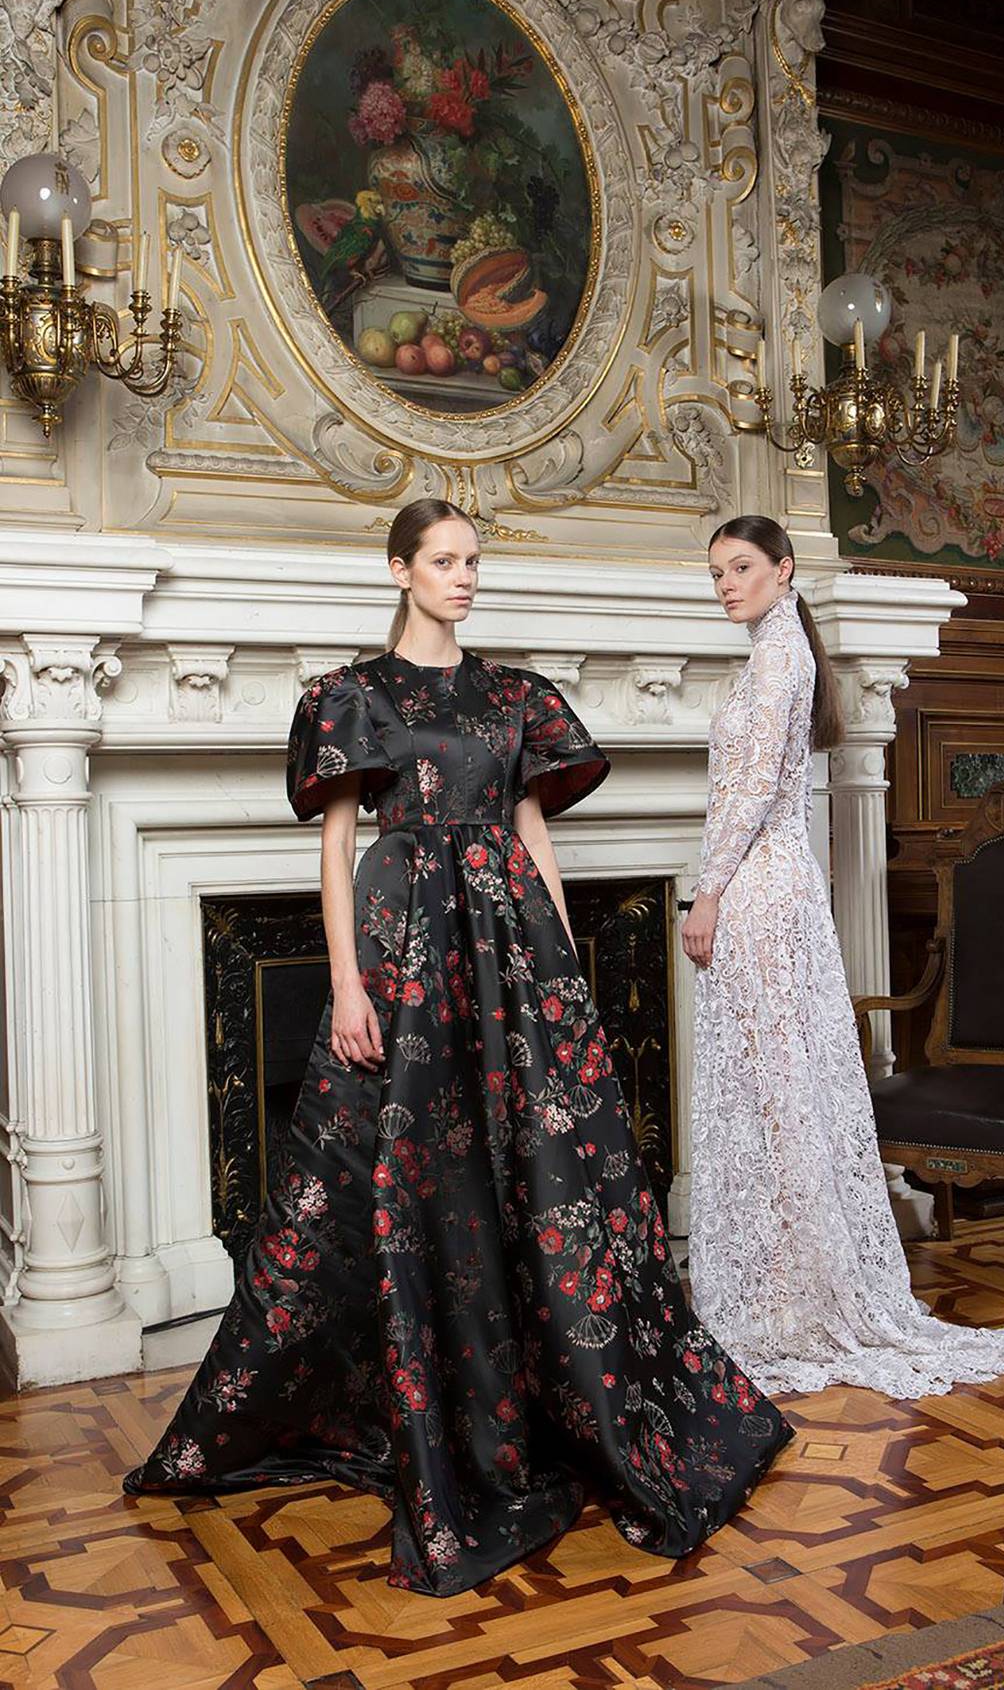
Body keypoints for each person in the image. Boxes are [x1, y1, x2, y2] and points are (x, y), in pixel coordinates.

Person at [125, 499, 793, 1596]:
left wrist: (567, 964)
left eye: (474, 560)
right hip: (402, 944)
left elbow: (533, 831)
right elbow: (337, 853)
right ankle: (415, 1403)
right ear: (399, 570)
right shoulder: (352, 696)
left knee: (534, 1167)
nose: (465, 577)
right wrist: (346, 982)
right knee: (383, 1173)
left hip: (511, 946)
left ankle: (546, 1398)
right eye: (445, 561)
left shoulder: (511, 693)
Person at [682, 514, 1004, 1398]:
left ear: (785, 572)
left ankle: (799, 1297)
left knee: (775, 1085)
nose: (726, 584)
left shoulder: (779, 659)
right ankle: (792, 1287)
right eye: (717, 572)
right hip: (774, 881)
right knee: (775, 1083)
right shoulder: (777, 655)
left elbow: (749, 792)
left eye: (741, 568)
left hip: (756, 883)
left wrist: (707, 890)